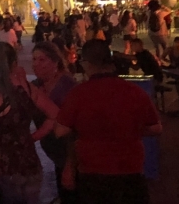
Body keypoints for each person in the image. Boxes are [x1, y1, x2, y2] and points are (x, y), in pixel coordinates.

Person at [55, 39, 162, 204]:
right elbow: (155, 128)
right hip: (130, 169)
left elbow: (60, 130)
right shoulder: (135, 92)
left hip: (93, 171)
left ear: (87, 63)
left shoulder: (79, 94)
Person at [0, 42, 57, 204]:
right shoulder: (27, 87)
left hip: (3, 165)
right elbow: (55, 114)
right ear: (14, 62)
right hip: (30, 162)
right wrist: (33, 137)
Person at [31, 41, 76, 204]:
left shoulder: (66, 86)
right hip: (55, 152)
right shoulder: (36, 85)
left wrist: (70, 165)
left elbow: (74, 130)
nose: (35, 64)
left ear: (55, 62)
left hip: (70, 153)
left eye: (42, 60)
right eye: (34, 59)